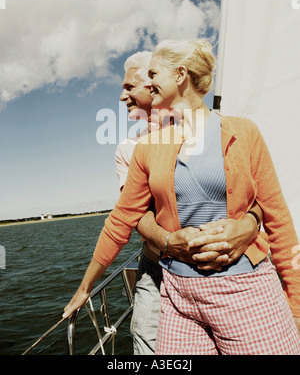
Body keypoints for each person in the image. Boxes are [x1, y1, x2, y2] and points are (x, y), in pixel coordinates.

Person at [63, 39, 300, 354]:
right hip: (179, 297)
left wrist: (296, 305)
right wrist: (84, 287)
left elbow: (278, 218)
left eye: (153, 74)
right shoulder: (146, 148)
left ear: (179, 75)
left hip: (246, 291)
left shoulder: (244, 133)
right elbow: (123, 218)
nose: (149, 83)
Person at [114, 51, 263, 354]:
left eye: (131, 86)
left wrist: (250, 224)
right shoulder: (130, 148)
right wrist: (170, 243)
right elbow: (132, 215)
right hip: (160, 268)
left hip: (235, 267)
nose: (121, 96)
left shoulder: (221, 128)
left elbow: (258, 195)